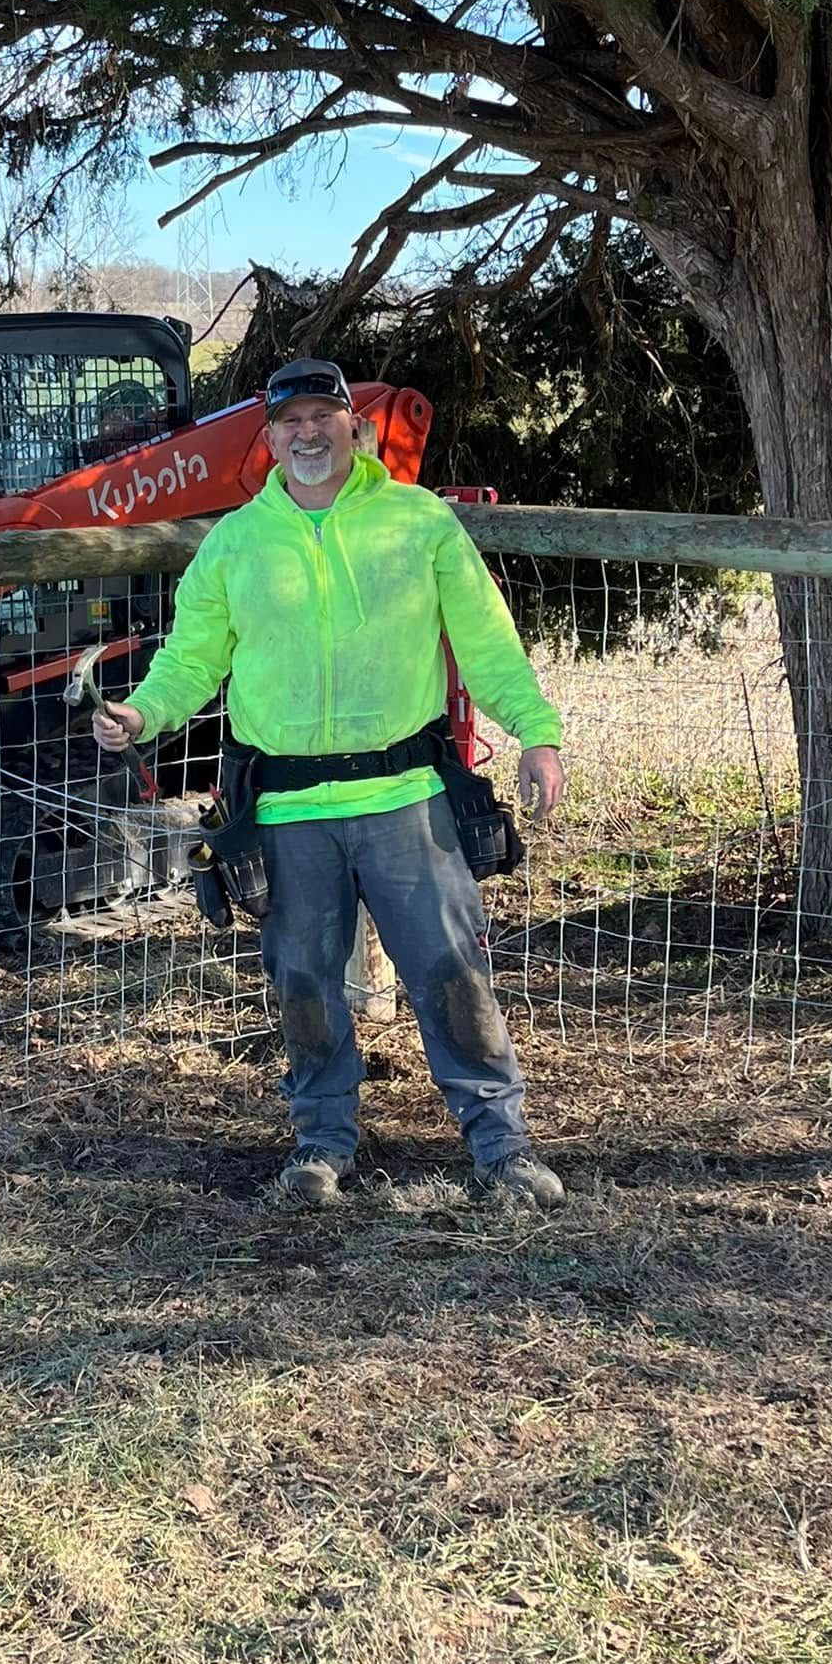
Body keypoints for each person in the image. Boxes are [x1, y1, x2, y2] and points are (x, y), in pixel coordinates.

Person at [92, 359, 567, 1210]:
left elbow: (486, 641)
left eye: (323, 417)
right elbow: (193, 658)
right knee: (304, 986)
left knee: (454, 974)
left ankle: (503, 1147)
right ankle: (320, 1146)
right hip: (288, 811)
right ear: (268, 439)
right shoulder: (237, 543)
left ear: (355, 426)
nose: (308, 434)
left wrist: (537, 735)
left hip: (407, 799)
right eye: (290, 423)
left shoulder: (417, 523)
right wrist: (143, 714)